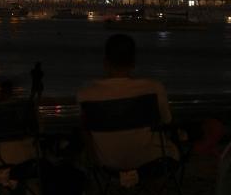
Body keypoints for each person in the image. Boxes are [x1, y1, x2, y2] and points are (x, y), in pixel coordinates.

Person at [76, 34, 177, 171]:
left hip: (107, 164)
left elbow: (85, 132)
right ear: (133, 63)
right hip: (151, 161)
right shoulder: (153, 88)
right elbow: (167, 120)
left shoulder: (85, 95)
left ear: (106, 63)